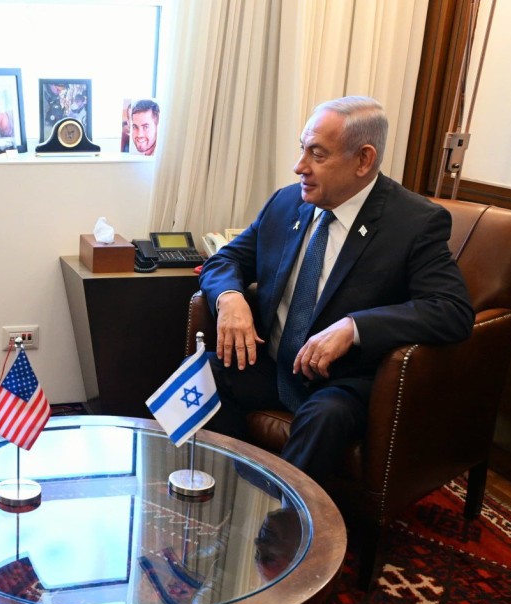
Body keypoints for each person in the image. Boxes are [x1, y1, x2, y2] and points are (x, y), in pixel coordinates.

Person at [198, 96, 473, 482]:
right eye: (302, 148)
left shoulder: (414, 223)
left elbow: (452, 310)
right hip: (274, 366)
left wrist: (354, 328)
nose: (300, 167)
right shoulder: (286, 202)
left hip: (342, 382)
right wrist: (230, 299)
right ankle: (224, 488)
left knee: (323, 417)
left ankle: (280, 530)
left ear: (363, 160)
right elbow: (224, 260)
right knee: (198, 374)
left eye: (317, 154)